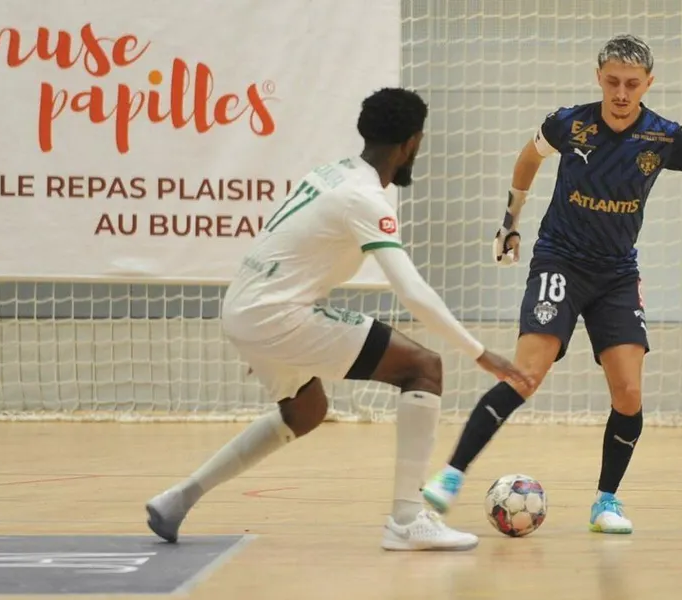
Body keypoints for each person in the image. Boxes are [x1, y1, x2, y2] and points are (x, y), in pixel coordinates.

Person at [421, 34, 682, 534]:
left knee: (627, 392)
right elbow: (528, 159)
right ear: (598, 77)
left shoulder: (666, 137)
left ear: (649, 83)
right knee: (525, 374)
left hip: (617, 274)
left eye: (631, 84)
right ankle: (451, 475)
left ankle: (606, 503)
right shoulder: (569, 123)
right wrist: (510, 220)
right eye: (612, 82)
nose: (621, 93)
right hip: (559, 262)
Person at [144, 87, 533, 552]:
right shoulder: (365, 198)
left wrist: (261, 336)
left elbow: (286, 250)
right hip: (274, 315)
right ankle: (407, 521)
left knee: (305, 411)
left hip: (245, 307)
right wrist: (479, 351)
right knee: (423, 368)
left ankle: (177, 499)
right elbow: (411, 290)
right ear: (413, 143)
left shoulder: (331, 173)